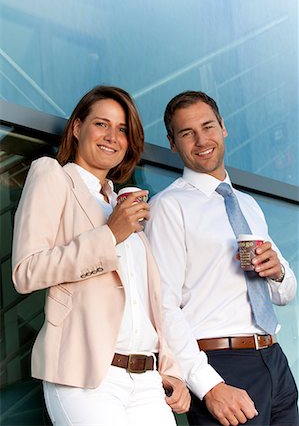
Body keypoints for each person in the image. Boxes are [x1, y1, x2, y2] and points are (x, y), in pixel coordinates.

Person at [12, 85, 190, 426]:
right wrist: (109, 235)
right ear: (77, 128)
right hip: (87, 377)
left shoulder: (122, 204)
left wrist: (171, 367)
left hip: (147, 381)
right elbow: (26, 271)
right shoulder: (54, 176)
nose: (112, 137)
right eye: (101, 124)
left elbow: (149, 299)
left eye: (122, 129)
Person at [145, 90, 298, 426]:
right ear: (173, 144)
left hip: (274, 360)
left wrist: (278, 274)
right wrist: (209, 386)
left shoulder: (248, 205)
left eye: (208, 126)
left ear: (223, 127)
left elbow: (285, 294)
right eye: (187, 133)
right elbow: (162, 306)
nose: (202, 140)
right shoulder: (169, 207)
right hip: (222, 364)